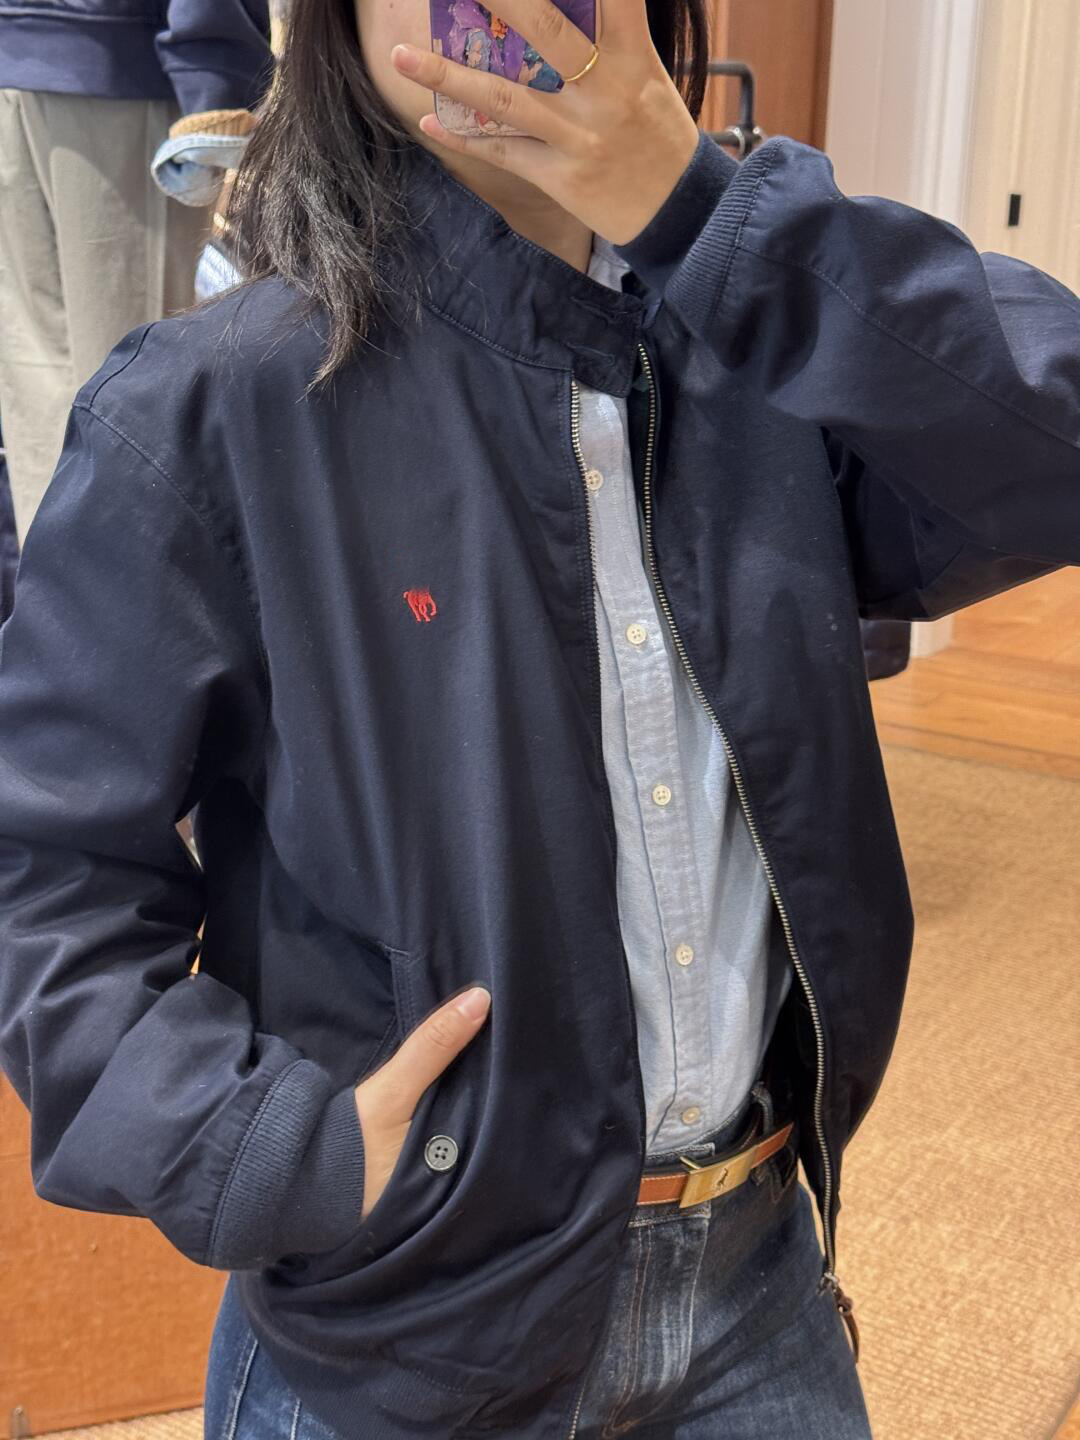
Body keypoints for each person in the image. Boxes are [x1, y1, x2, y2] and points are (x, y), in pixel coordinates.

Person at [0, 1, 1076, 1436]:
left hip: (759, 1270)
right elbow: (43, 873)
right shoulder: (216, 407)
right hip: (411, 1323)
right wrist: (264, 1148)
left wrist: (703, 212)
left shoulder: (765, 340)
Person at [0, 0, 273, 543]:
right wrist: (214, 74)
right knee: (134, 402)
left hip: (20, 62)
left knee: (43, 390)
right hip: (123, 69)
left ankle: (59, 595)